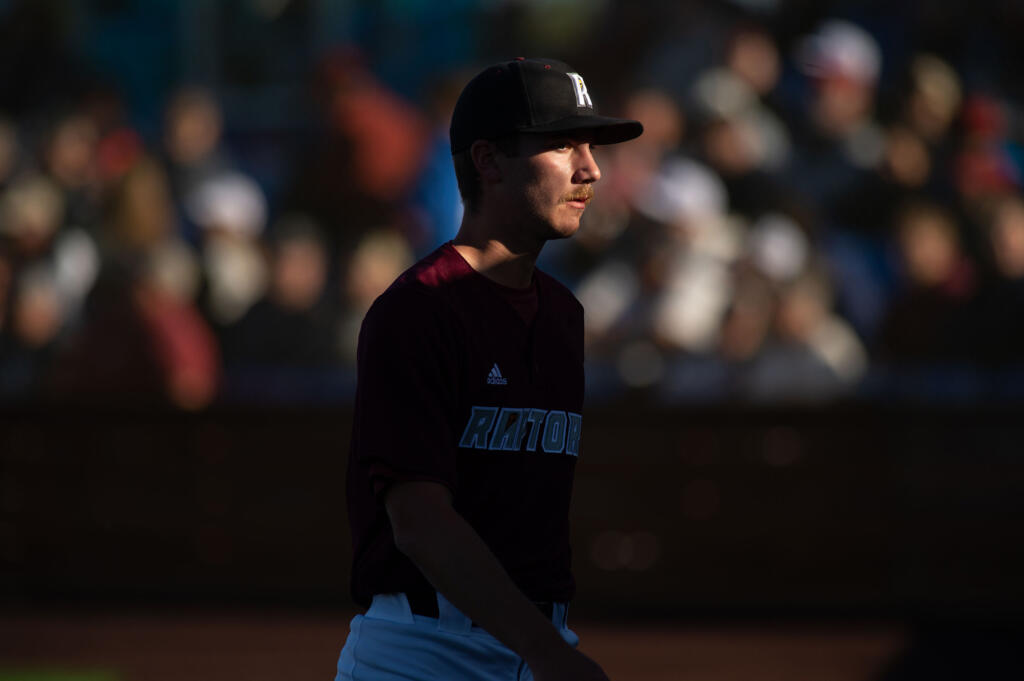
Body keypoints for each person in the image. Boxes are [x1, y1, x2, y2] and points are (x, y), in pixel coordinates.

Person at [338, 58, 642, 681]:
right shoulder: (418, 310)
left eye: (590, 145)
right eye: (563, 143)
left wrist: (542, 646)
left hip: (533, 640)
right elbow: (419, 521)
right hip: (423, 651)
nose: (591, 168)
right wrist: (546, 650)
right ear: (488, 160)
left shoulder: (563, 314)